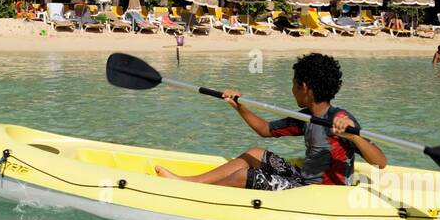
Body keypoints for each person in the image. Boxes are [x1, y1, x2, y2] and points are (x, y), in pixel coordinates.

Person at [155, 53, 387, 190]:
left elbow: (380, 162)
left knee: (244, 176)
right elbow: (265, 130)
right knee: (255, 153)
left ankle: (198, 196)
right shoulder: (306, 117)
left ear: (305, 87)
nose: (292, 89)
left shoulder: (339, 119)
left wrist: (353, 135)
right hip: (302, 179)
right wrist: (239, 106)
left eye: (294, 84)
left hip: (319, 192)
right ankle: (191, 183)